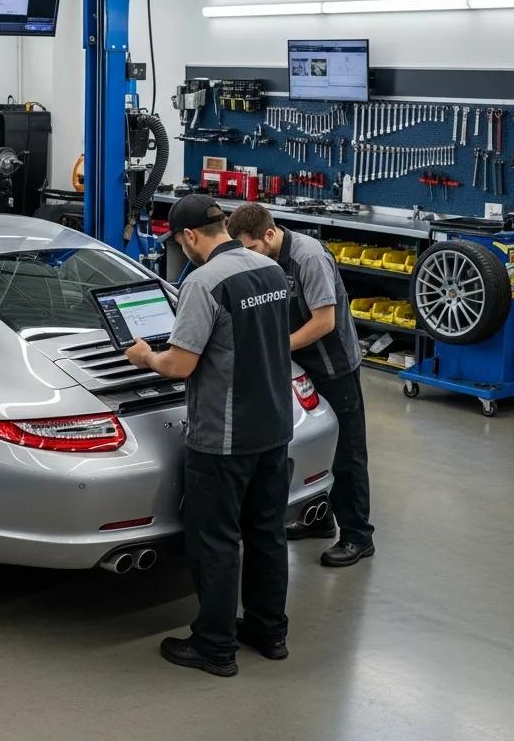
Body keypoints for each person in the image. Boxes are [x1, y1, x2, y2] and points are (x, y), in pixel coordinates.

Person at [125, 194, 293, 677]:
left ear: (190, 236)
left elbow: (179, 365)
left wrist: (144, 357)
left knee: (215, 541)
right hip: (275, 425)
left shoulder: (203, 282)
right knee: (266, 534)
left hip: (223, 435)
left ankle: (215, 645)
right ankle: (268, 631)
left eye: (180, 242)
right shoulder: (269, 269)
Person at [227, 203, 375, 568]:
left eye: (252, 249)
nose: (249, 259)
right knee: (308, 442)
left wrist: (275, 346)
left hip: (332, 365)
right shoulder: (263, 259)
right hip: (295, 364)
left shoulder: (308, 257)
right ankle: (319, 517)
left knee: (346, 452)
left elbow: (324, 321)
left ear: (270, 234)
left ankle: (358, 535)